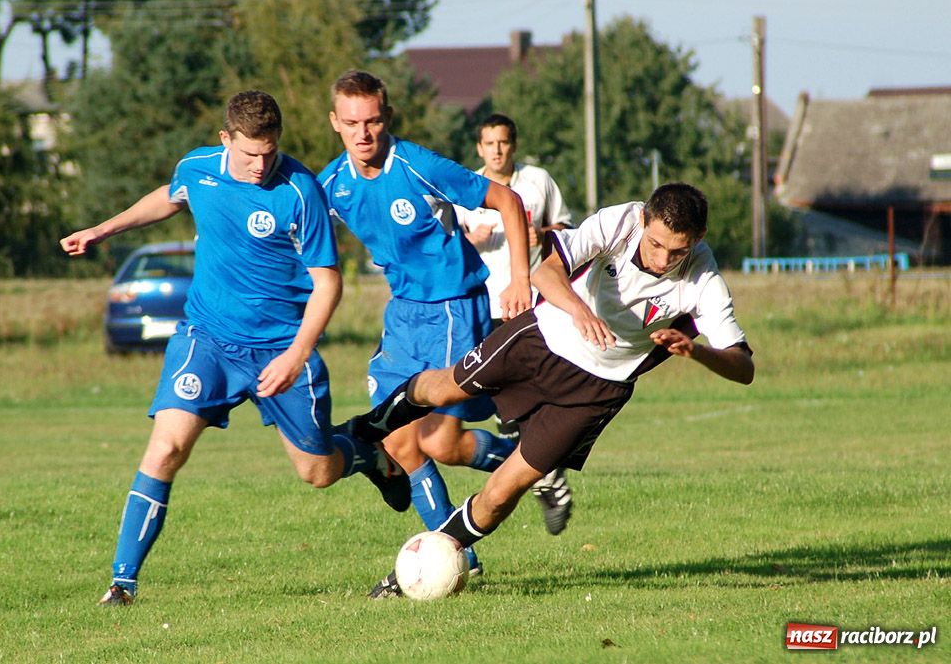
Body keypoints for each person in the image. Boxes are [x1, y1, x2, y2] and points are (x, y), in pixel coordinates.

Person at [60, 90, 409, 607]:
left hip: (281, 350)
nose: (261, 165)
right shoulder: (198, 168)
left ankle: (369, 456)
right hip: (207, 339)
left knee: (317, 472)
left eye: (270, 152)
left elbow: (328, 282)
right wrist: (102, 230)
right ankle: (122, 585)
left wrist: (296, 355)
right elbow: (172, 195)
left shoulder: (301, 190)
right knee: (167, 447)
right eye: (249, 154)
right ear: (225, 139)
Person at [342, 183, 756, 597]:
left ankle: (419, 571)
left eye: (678, 252)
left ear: (698, 238)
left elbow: (743, 367)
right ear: (644, 220)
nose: (663, 260)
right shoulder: (620, 222)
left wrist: (697, 351)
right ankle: (362, 430)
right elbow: (545, 272)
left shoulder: (704, 280)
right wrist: (578, 310)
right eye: (656, 245)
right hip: (541, 339)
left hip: (595, 392)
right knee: (446, 388)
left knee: (503, 492)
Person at [318, 70, 572, 595]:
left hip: (455, 308)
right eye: (352, 123)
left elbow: (508, 201)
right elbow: (293, 228)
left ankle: (537, 465)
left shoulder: (418, 165)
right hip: (403, 316)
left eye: (373, 121)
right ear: (335, 123)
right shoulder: (332, 184)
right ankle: (460, 558)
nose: (364, 133)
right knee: (400, 441)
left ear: (387, 118)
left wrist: (520, 280)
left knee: (437, 439)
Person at [456, 113, 575, 534]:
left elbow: (568, 230)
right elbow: (447, 238)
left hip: (532, 303)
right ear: (479, 148)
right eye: (489, 143)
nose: (497, 149)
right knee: (497, 401)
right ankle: (543, 473)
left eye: (503, 142)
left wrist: (543, 232)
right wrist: (468, 240)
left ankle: (541, 472)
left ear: (514, 144)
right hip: (480, 305)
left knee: (520, 395)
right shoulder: (466, 187)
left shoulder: (537, 181)